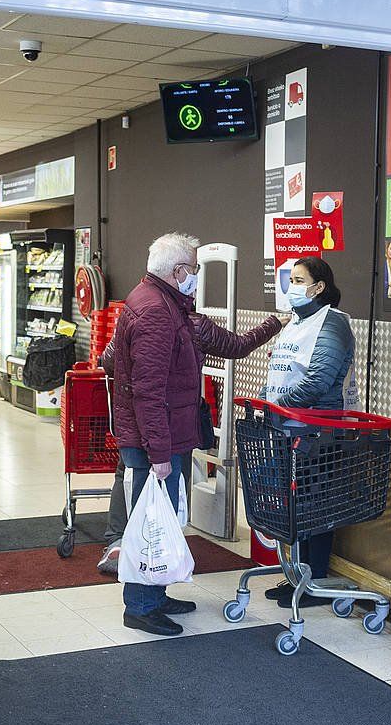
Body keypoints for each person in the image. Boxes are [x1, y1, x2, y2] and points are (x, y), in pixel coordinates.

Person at [95, 309, 288, 574]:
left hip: (137, 422)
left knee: (128, 475)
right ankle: (156, 564)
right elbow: (238, 345)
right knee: (169, 487)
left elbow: (107, 361)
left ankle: (121, 543)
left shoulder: (133, 313)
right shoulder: (193, 323)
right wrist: (273, 323)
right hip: (175, 426)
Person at [261, 255, 358, 608]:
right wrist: (265, 402)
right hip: (287, 427)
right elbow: (279, 371)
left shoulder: (332, 324)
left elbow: (319, 380)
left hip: (318, 430)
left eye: (300, 280)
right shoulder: (295, 323)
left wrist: (278, 405)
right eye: (291, 280)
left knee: (314, 503)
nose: (292, 287)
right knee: (295, 503)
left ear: (319, 287)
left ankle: (313, 579)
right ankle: (295, 577)